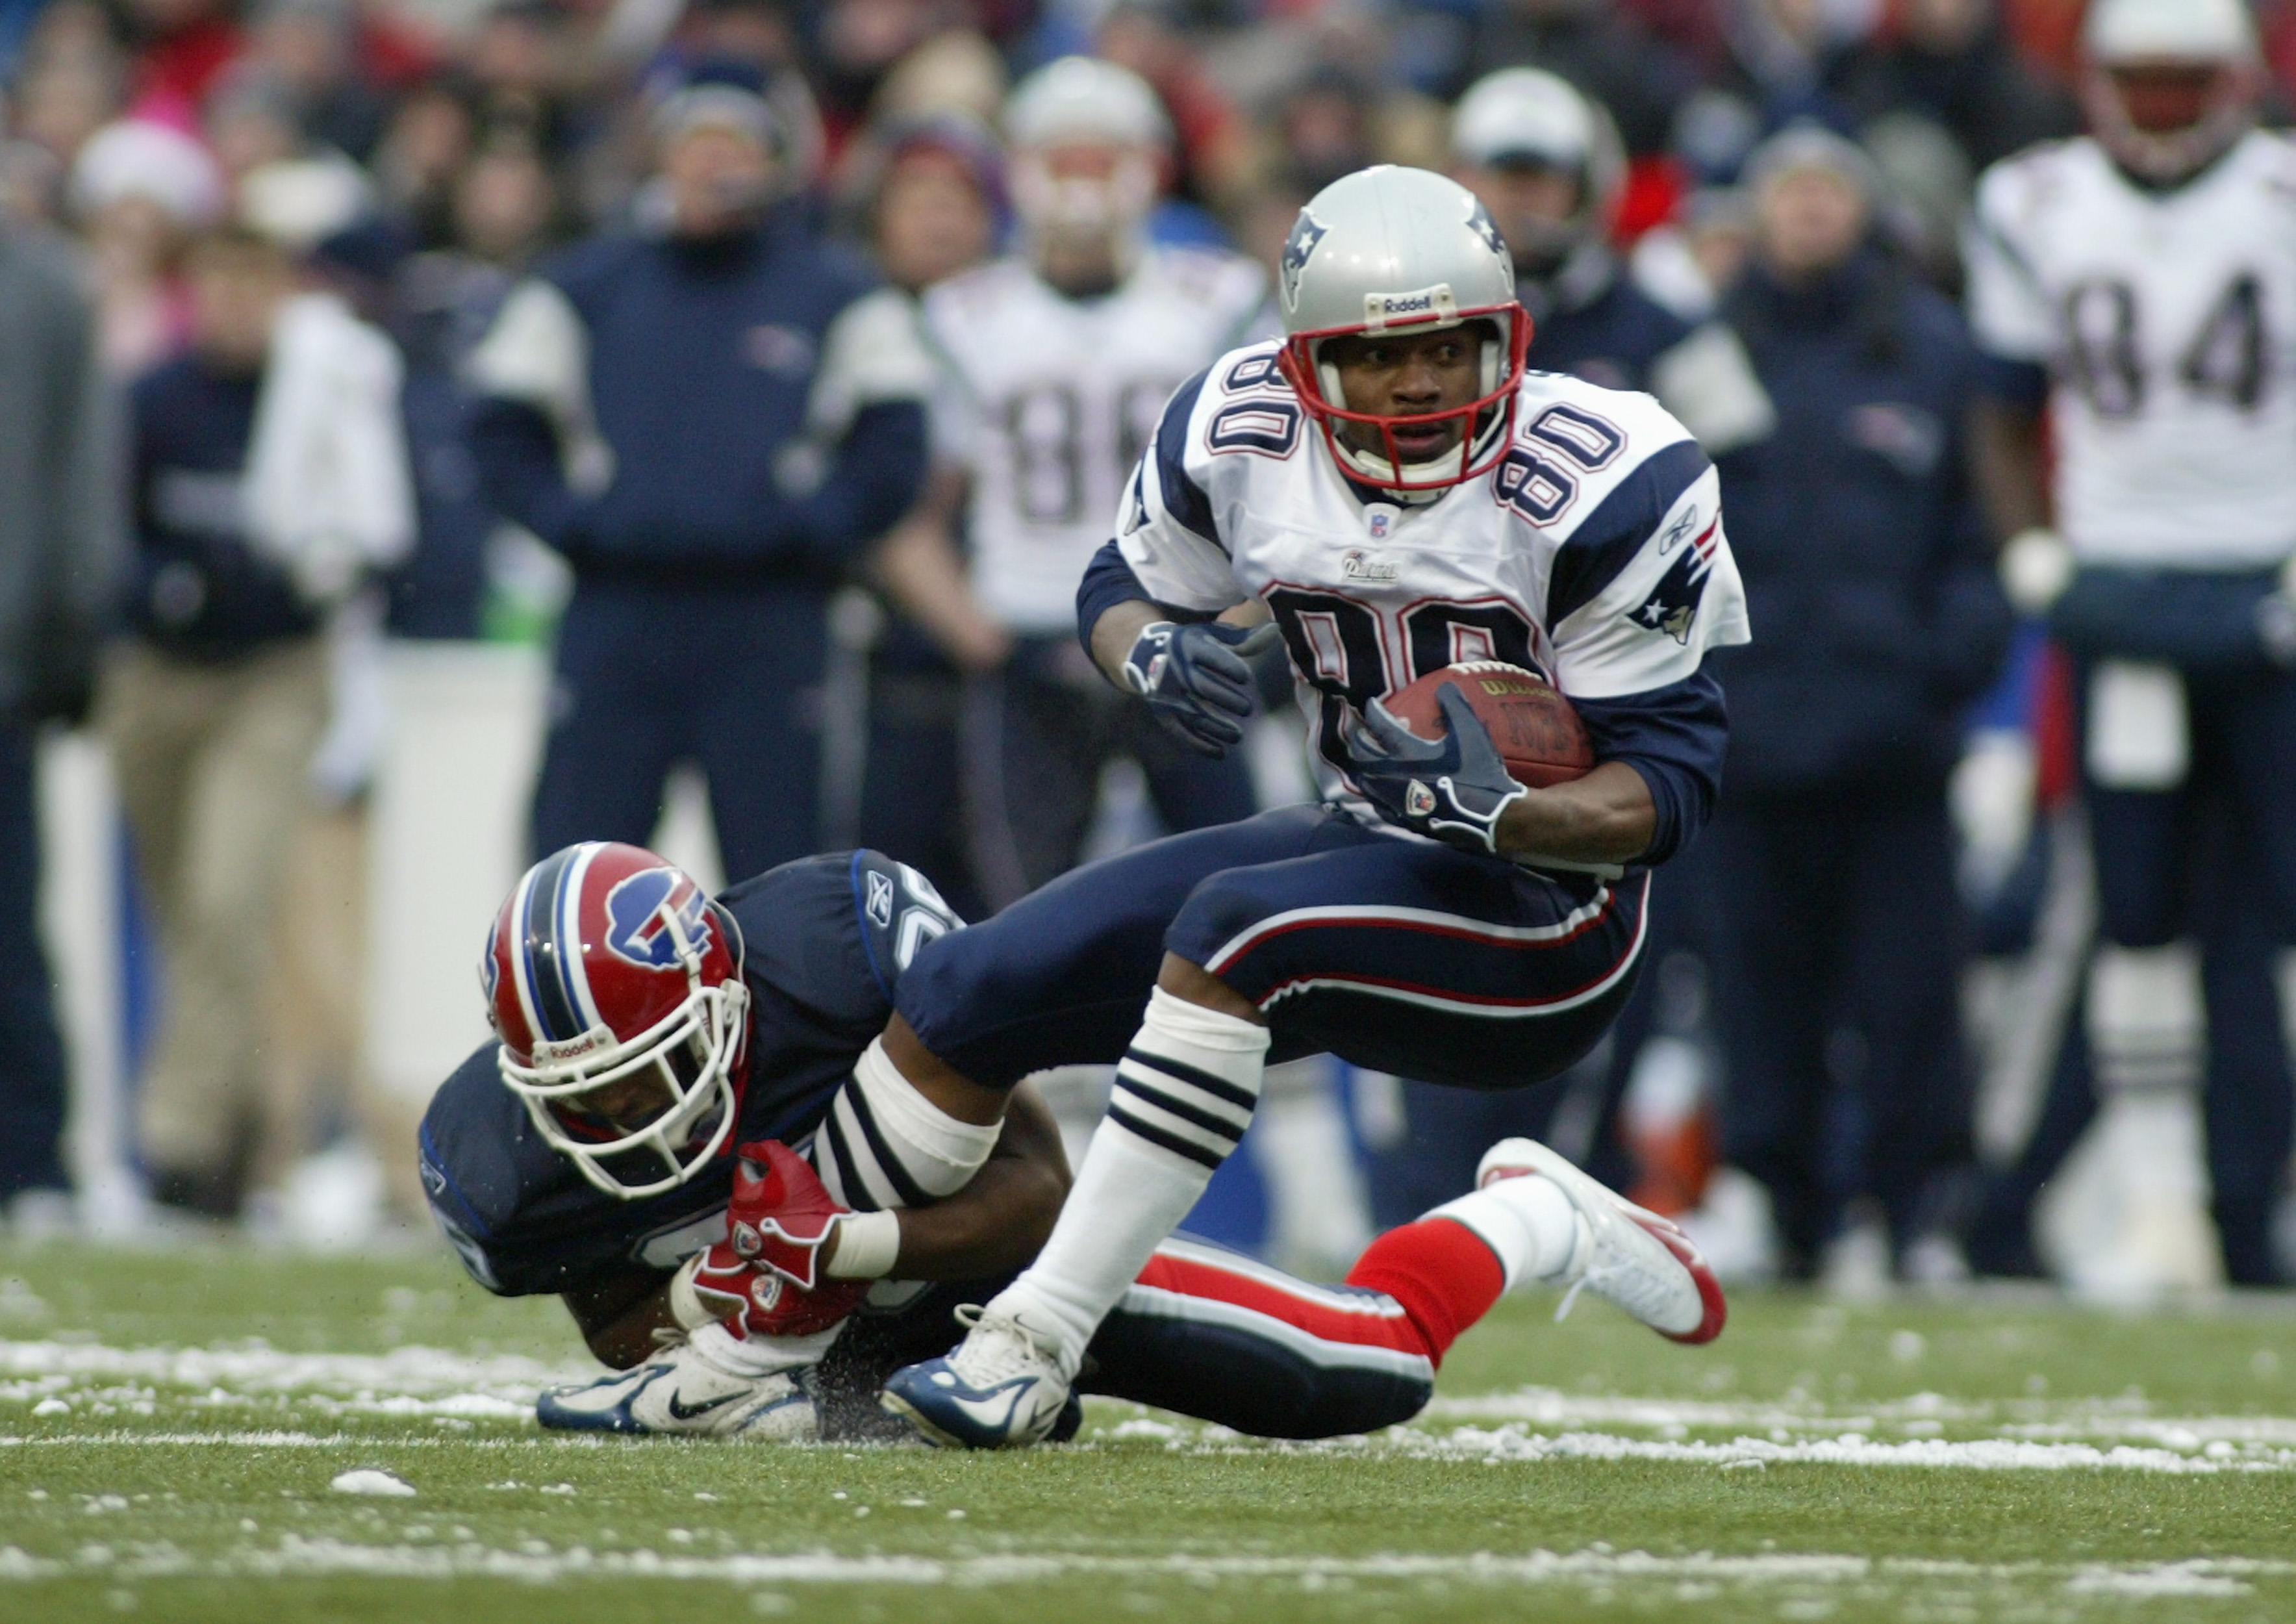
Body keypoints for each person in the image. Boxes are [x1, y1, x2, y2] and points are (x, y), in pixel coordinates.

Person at [855, 162, 1742, 1448]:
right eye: (1380, 358)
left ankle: (1030, 1332)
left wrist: (1501, 809)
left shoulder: (1608, 470)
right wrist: (1146, 649)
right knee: (971, 979)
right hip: (1364, 839)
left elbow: (1667, 790)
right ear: (1304, 361)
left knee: (1232, 926)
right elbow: (1121, 580)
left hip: (1546, 915)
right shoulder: (1239, 422)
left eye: (1450, 347)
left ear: (1507, 336)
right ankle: (796, 1329)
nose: (1420, 382)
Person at [421, 841, 1719, 1440]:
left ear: (725, 1003)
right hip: (862, 1328)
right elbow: (609, 1308)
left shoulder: (828, 949)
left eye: (645, 1077)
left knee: (1357, 1373)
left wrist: (846, 1240)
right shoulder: (491, 1160)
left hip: (1003, 1280)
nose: (628, 1120)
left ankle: (1535, 1214)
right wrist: (723, 1289)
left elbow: (1041, 1190)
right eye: (586, 1099)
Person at [1964, 0, 2296, 1285]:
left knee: (2281, 911)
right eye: (2138, 83)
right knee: (2137, 908)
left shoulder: (2277, 192)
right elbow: (1999, 407)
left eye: (2181, 83)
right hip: (2120, 589)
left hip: (2270, 588)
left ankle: (2252, 1200)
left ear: (2233, 79)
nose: (2158, 109)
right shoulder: (2033, 200)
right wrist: (2031, 551)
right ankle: (2161, 1207)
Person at [465, 63, 929, 879]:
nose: (714, 165)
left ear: (774, 164)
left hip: (771, 624)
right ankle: (578, 1015)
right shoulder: (585, 285)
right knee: (578, 871)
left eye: (735, 145)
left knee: (782, 879)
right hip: (618, 614)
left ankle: (779, 1016)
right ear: (663, 157)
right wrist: (581, 522)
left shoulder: (836, 291)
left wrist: (803, 528)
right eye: (697, 143)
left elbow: (895, 446)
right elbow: (500, 427)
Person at [1697, 125, 2008, 1278]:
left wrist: (1951, 655)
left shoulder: (1932, 350)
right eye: (1791, 193)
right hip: (1754, 742)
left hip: (1894, 743)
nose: (1811, 212)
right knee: (1758, 996)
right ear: (1758, 213)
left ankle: (1914, 1211)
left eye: (1831, 190)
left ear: (1865, 211)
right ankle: (1784, 1210)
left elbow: (1981, 529)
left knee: (1911, 998)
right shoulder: (1706, 353)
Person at [872, 58, 1267, 908]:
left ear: (1147, 169)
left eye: (1100, 161)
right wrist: (977, 631)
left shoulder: (1219, 299)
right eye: (1063, 162)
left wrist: (1236, 623)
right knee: (1026, 913)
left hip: (1181, 634)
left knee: (1241, 898)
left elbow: (1275, 494)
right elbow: (909, 514)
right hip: (1030, 644)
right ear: (1020, 169)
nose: (1081, 188)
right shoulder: (963, 317)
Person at [102, 222, 413, 1217]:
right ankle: (244, 1122)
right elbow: (108, 528)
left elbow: (377, 525)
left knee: (229, 893)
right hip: (158, 674)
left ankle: (178, 1142)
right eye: (218, 283)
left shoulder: (319, 396)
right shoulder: (155, 398)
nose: (236, 304)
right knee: (182, 910)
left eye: (254, 284)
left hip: (274, 672)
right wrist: (163, 586)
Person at [0, 214, 116, 1228]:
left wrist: (72, 638)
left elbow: (82, 477)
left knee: (7, 929)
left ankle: (34, 1158)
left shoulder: (46, 288)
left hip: (5, 668)